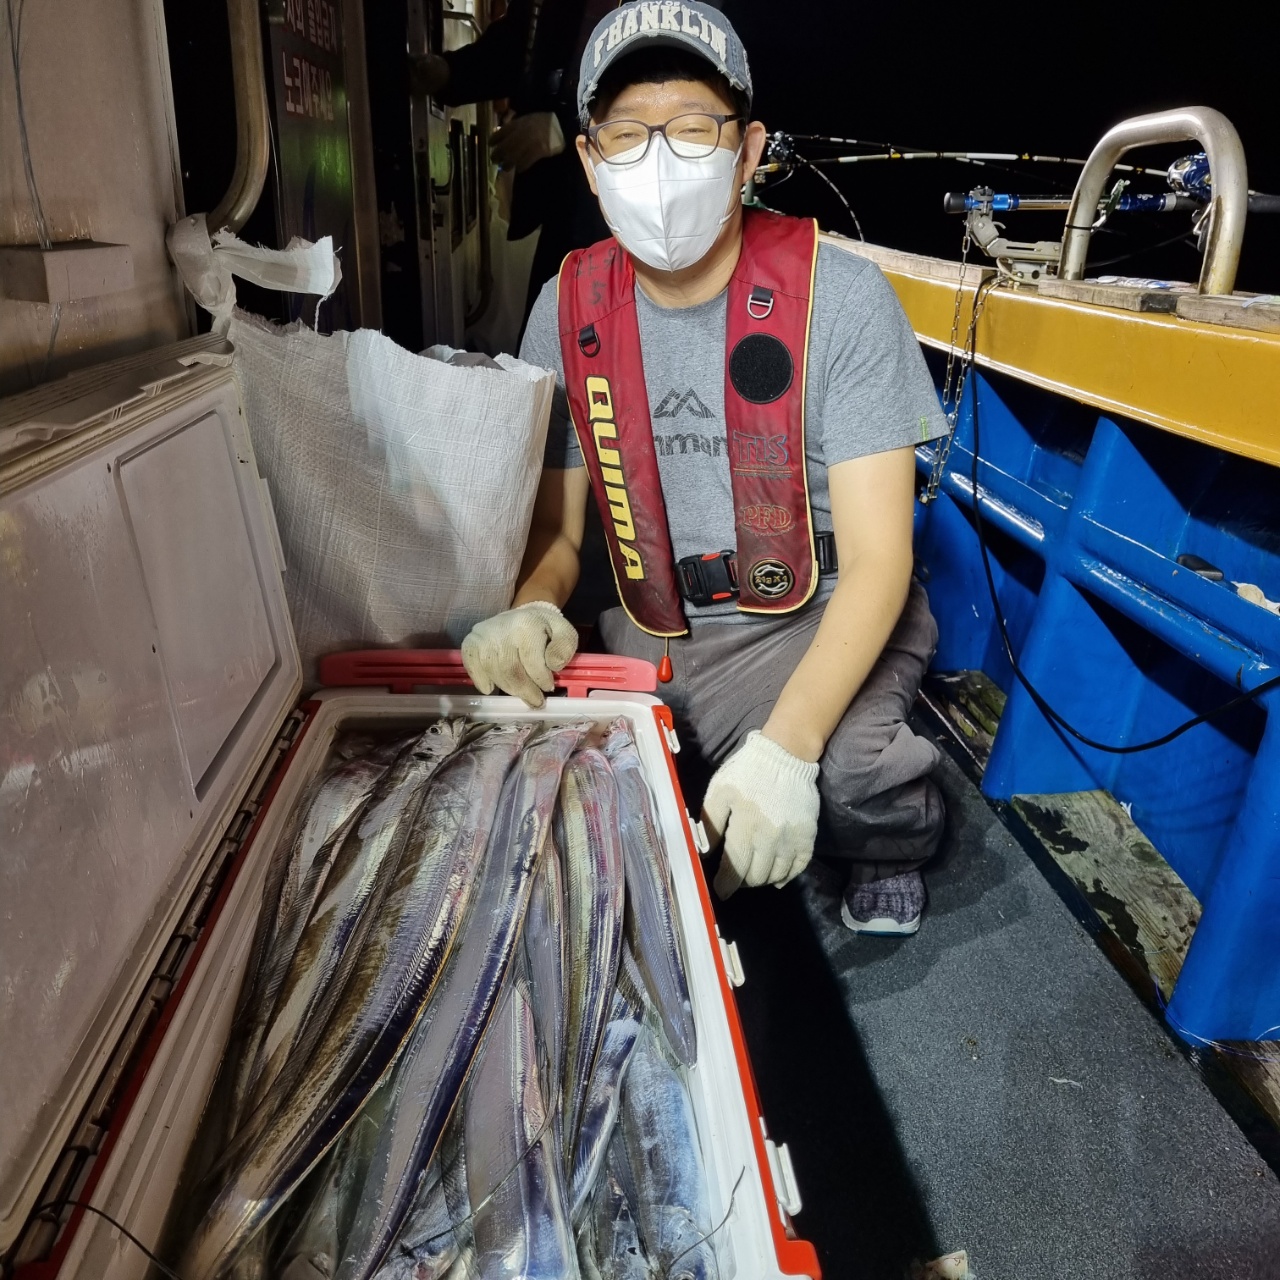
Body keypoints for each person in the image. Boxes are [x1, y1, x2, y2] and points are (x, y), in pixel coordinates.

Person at [461, 0, 949, 935]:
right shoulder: (564, 306)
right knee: (567, 797)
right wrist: (531, 605)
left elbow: (882, 561)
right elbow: (560, 533)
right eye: (627, 135)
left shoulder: (844, 298)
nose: (659, 160)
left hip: (810, 612)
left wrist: (789, 750)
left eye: (692, 129)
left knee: (847, 778)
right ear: (590, 161)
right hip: (651, 620)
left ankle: (897, 835)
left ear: (748, 149)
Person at [410, 0, 617, 326]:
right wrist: (450, 73)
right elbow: (522, 42)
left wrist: (566, 127)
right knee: (552, 332)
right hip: (563, 204)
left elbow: (663, 69)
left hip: (629, 205)